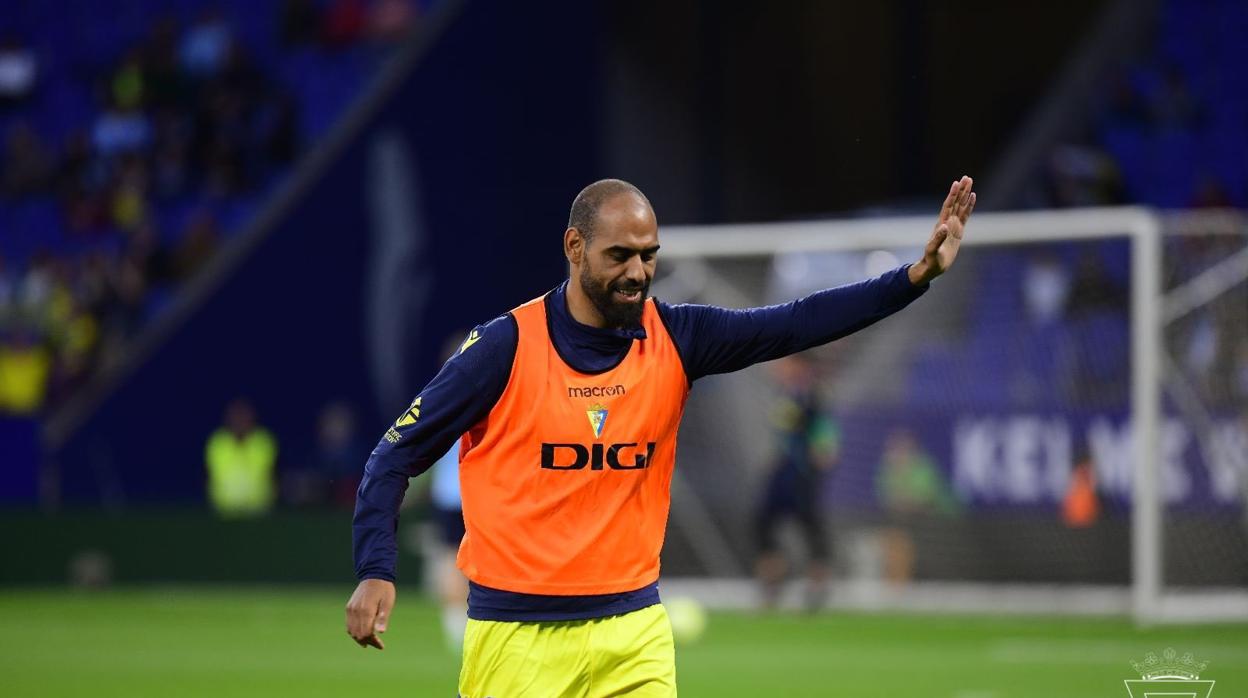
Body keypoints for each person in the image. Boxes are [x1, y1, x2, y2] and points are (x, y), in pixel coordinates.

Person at [346, 176, 977, 696]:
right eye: (619, 255)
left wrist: (913, 277)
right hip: (517, 639)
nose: (638, 271)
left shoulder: (677, 337)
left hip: (635, 631)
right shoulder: (505, 348)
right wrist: (377, 569)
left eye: (649, 254)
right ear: (573, 246)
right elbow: (392, 457)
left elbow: (794, 325)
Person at [753, 353, 840, 612]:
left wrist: (824, 450)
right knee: (762, 523)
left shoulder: (813, 395)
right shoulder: (785, 394)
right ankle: (773, 582)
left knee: (810, 526)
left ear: (798, 365)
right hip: (784, 468)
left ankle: (817, 587)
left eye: (783, 362)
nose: (776, 367)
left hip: (802, 471)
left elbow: (825, 430)